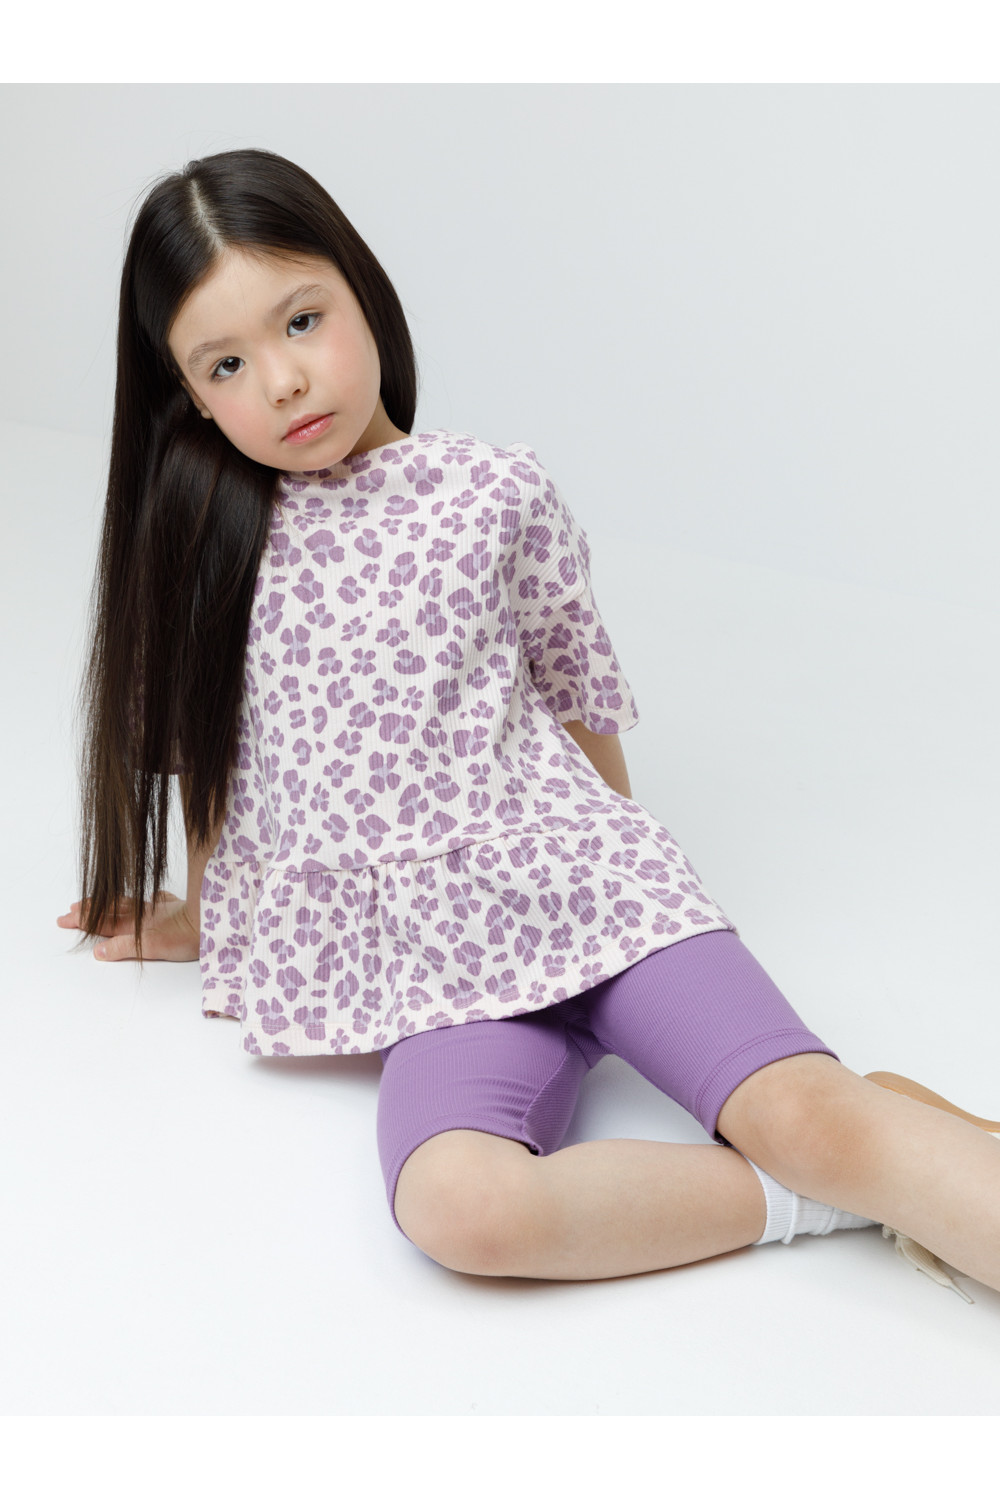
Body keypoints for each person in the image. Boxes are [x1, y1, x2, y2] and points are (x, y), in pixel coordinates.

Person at [56, 147, 1000, 1304]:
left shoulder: (494, 492)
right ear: (190, 394)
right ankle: (835, 1189)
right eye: (228, 364)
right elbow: (224, 760)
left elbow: (576, 699)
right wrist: (207, 917)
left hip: (582, 889)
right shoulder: (209, 539)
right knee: (461, 1207)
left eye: (303, 321)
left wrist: (631, 896)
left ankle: (843, 1147)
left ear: (363, 292)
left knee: (807, 1116)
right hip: (432, 969)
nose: (285, 381)